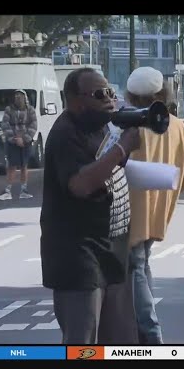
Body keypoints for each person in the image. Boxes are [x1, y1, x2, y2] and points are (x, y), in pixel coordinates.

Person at [40, 67, 140, 344]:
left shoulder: (102, 127)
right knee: (82, 343)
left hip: (113, 255)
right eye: (99, 94)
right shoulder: (65, 133)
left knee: (121, 342)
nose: (108, 99)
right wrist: (121, 149)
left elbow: (107, 166)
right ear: (76, 101)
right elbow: (80, 185)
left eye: (110, 92)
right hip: (80, 261)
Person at [125, 66, 184, 344]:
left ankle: (150, 331)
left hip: (127, 211)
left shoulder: (127, 125)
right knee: (142, 265)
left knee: (136, 267)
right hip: (158, 212)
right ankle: (143, 327)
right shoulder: (177, 126)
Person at [0, 89, 37, 200]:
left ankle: (24, 190)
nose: (18, 98)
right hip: (12, 142)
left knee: (24, 166)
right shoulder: (9, 110)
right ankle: (7, 191)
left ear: (25, 98)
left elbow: (33, 125)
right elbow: (5, 125)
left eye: (20, 96)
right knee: (12, 166)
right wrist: (15, 139)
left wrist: (25, 139)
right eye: (16, 96)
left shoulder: (30, 110)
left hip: (25, 142)